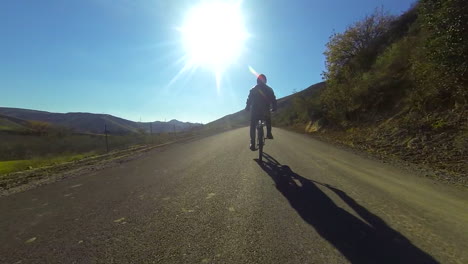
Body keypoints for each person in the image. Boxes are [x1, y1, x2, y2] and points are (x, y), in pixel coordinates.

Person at [245, 74, 277, 151]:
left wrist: (247, 107)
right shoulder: (269, 89)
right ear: (265, 81)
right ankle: (269, 133)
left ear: (257, 81)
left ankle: (252, 143)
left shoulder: (253, 89)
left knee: (253, 125)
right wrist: (274, 107)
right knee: (268, 118)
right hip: (265, 109)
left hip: (255, 110)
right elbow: (273, 100)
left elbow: (249, 100)